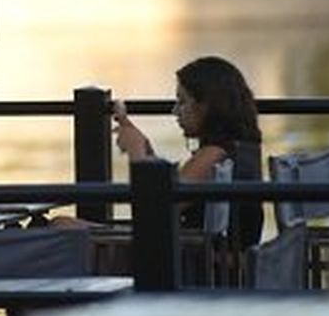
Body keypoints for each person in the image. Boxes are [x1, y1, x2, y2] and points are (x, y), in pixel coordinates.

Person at [113, 55, 265, 248]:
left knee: (68, 228)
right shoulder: (240, 147)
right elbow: (170, 191)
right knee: (70, 227)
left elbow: (152, 214)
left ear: (206, 106)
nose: (175, 111)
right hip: (206, 260)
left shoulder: (213, 156)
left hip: (188, 265)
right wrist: (144, 147)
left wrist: (136, 153)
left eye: (182, 102)